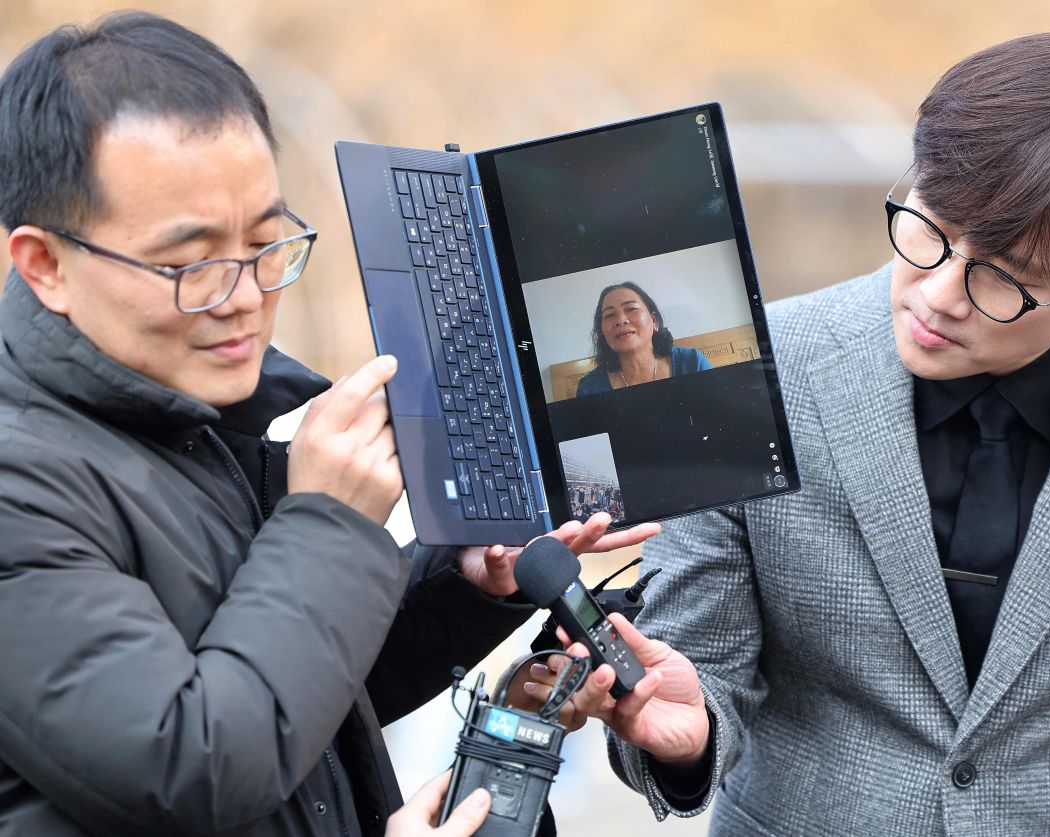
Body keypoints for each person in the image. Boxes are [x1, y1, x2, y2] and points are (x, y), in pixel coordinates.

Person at [525, 33, 1050, 834]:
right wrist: (684, 739)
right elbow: (696, 675)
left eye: (1000, 278)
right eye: (929, 227)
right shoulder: (748, 381)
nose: (935, 295)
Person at [0, 12, 657, 836]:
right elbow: (192, 764)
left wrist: (463, 587)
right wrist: (332, 522)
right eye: (190, 263)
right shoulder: (20, 485)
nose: (243, 297)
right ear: (46, 264)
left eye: (267, 243)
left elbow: (300, 692)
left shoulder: (209, 408)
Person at [574, 281, 710, 396]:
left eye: (631, 308)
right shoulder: (590, 388)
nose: (621, 320)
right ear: (602, 332)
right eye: (609, 315)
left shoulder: (692, 363)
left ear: (654, 321)